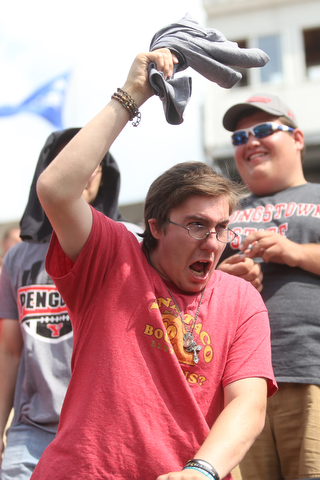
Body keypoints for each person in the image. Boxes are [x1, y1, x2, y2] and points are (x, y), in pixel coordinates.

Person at [30, 50, 277, 480]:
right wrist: (133, 94)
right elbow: (55, 188)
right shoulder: (110, 259)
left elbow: (248, 403)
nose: (214, 242)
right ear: (156, 227)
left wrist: (202, 471)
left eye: (222, 228)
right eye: (198, 225)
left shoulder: (242, 300)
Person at [0, 127, 142, 480]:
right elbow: (9, 351)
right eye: (66, 161)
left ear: (104, 174)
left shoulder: (136, 245)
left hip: (109, 430)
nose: (79, 170)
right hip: (31, 434)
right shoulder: (17, 259)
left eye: (91, 161)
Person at [218, 93, 320, 480]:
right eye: (240, 138)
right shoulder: (222, 213)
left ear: (296, 138)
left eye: (262, 130)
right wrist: (222, 279)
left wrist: (295, 252)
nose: (250, 141)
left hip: (311, 372)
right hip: (236, 388)